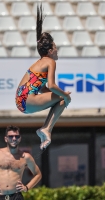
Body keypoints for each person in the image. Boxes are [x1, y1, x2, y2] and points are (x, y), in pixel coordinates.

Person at [15, 4, 71, 150]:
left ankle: (45, 129)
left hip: (21, 101)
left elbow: (42, 89)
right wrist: (65, 95)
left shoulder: (40, 63)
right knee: (63, 99)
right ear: (51, 50)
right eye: (56, 48)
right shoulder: (50, 61)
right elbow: (52, 86)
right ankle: (46, 129)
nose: (58, 51)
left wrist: (61, 95)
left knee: (60, 98)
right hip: (26, 100)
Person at [0, 125, 42, 200]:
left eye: (17, 136)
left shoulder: (26, 157)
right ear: (6, 139)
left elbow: (38, 174)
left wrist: (26, 188)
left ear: (20, 138)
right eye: (11, 136)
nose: (14, 138)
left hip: (16, 196)